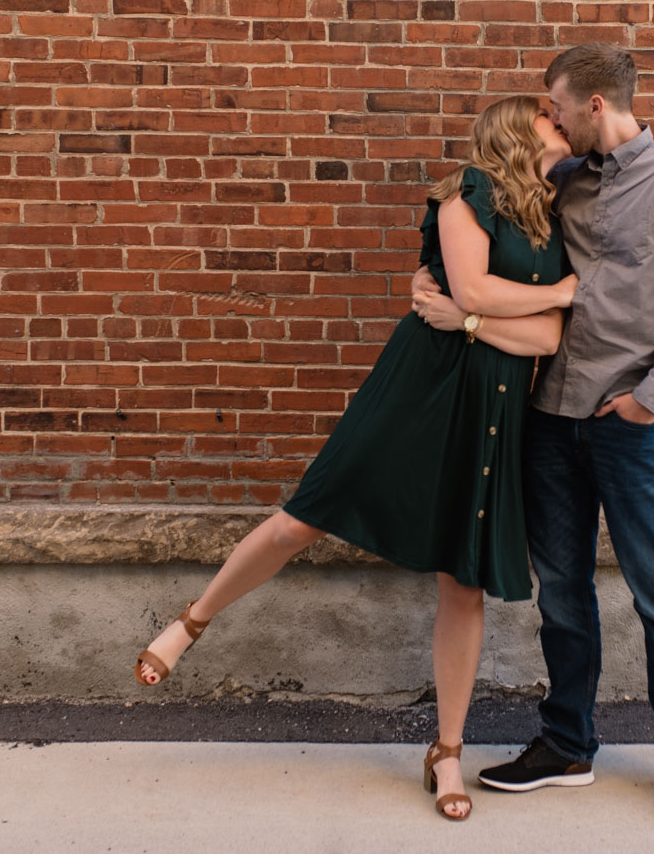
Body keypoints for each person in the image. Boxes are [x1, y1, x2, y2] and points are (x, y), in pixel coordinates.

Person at [132, 95, 576, 822]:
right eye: (551, 121)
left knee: (462, 581)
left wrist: (474, 321)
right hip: (420, 390)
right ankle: (191, 621)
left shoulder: (549, 215)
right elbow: (471, 286)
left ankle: (448, 750)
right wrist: (545, 294)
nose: (564, 128)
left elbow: (549, 340)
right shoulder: (466, 191)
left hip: (493, 411)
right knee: (307, 513)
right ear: (515, 134)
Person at [419, 44, 654, 823]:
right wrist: (433, 276)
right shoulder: (561, 184)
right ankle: (566, 744)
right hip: (548, 423)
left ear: (596, 105)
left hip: (631, 425)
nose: (547, 120)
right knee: (562, 594)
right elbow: (486, 235)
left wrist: (649, 401)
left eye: (556, 107)